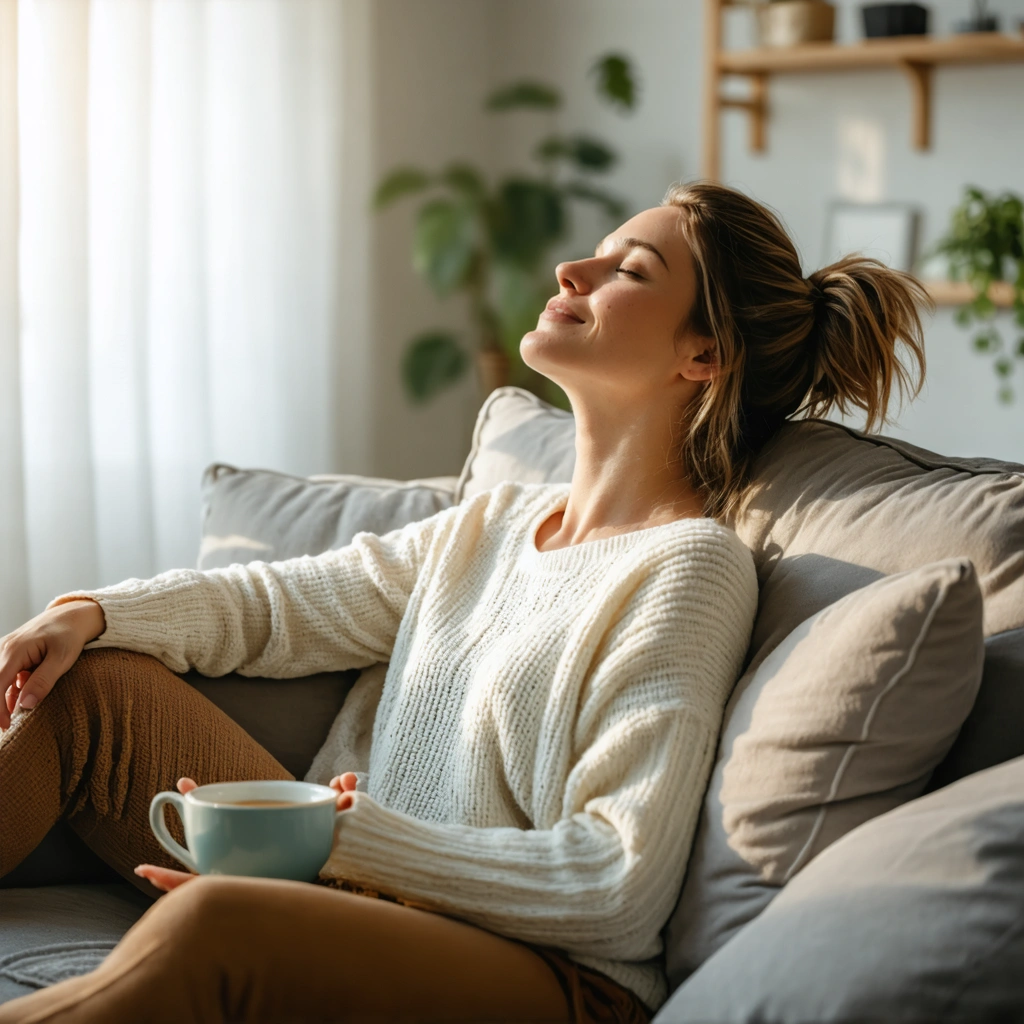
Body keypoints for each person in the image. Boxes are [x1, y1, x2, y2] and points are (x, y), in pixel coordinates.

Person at [0, 180, 927, 1024]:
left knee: (218, 921)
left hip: (548, 976)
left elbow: (618, 881)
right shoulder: (492, 524)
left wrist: (342, 842)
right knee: (90, 688)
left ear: (706, 353)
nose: (574, 267)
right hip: (363, 900)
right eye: (599, 251)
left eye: (629, 268)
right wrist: (90, 613)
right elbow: (278, 607)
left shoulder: (690, 568)